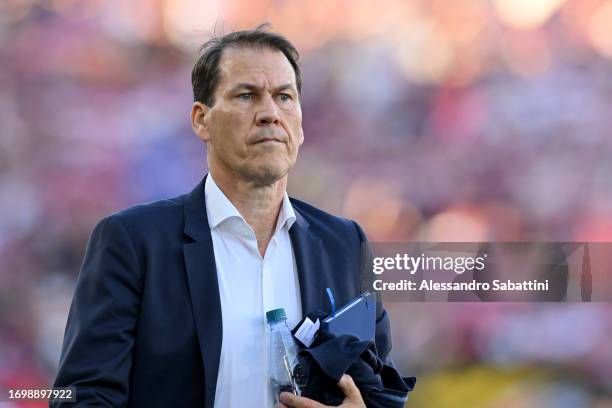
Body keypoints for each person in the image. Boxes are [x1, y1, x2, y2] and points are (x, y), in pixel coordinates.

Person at [52, 25, 393, 408]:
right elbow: (81, 397)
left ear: (300, 122)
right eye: (247, 95)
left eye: (284, 97)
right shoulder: (133, 242)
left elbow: (380, 389)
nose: (269, 113)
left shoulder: (345, 243)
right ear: (201, 119)